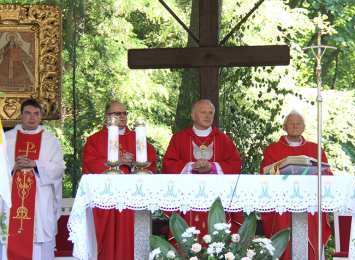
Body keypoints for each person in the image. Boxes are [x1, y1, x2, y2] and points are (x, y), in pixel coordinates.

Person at [82, 100, 157, 260]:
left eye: (124, 113)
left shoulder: (139, 138)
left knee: (134, 245)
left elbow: (150, 164)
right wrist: (117, 161)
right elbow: (90, 164)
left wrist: (135, 164)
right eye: (117, 113)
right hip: (106, 202)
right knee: (108, 244)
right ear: (106, 116)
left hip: (134, 201)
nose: (122, 117)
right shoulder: (95, 140)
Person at [162, 99, 242, 236]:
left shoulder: (223, 139)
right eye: (203, 112)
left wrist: (213, 167)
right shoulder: (179, 138)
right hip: (187, 198)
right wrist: (190, 166)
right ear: (193, 116)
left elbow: (235, 164)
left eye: (211, 112)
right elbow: (168, 164)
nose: (207, 116)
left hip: (218, 197)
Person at [259, 110, 331, 260]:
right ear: (284, 127)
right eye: (291, 123)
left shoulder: (315, 149)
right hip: (282, 204)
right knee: (284, 238)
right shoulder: (273, 149)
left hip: (310, 201)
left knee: (311, 236)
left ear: (303, 127)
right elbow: (265, 173)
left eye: (298, 124)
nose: (295, 126)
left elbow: (327, 173)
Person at [1, 98, 65, 260]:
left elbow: (58, 168)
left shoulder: (51, 141)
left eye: (36, 114)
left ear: (41, 116)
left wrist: (35, 164)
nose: (32, 117)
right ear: (20, 115)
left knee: (39, 246)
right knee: (10, 238)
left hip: (39, 203)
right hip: (11, 205)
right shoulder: (6, 139)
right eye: (28, 113)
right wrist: (13, 167)